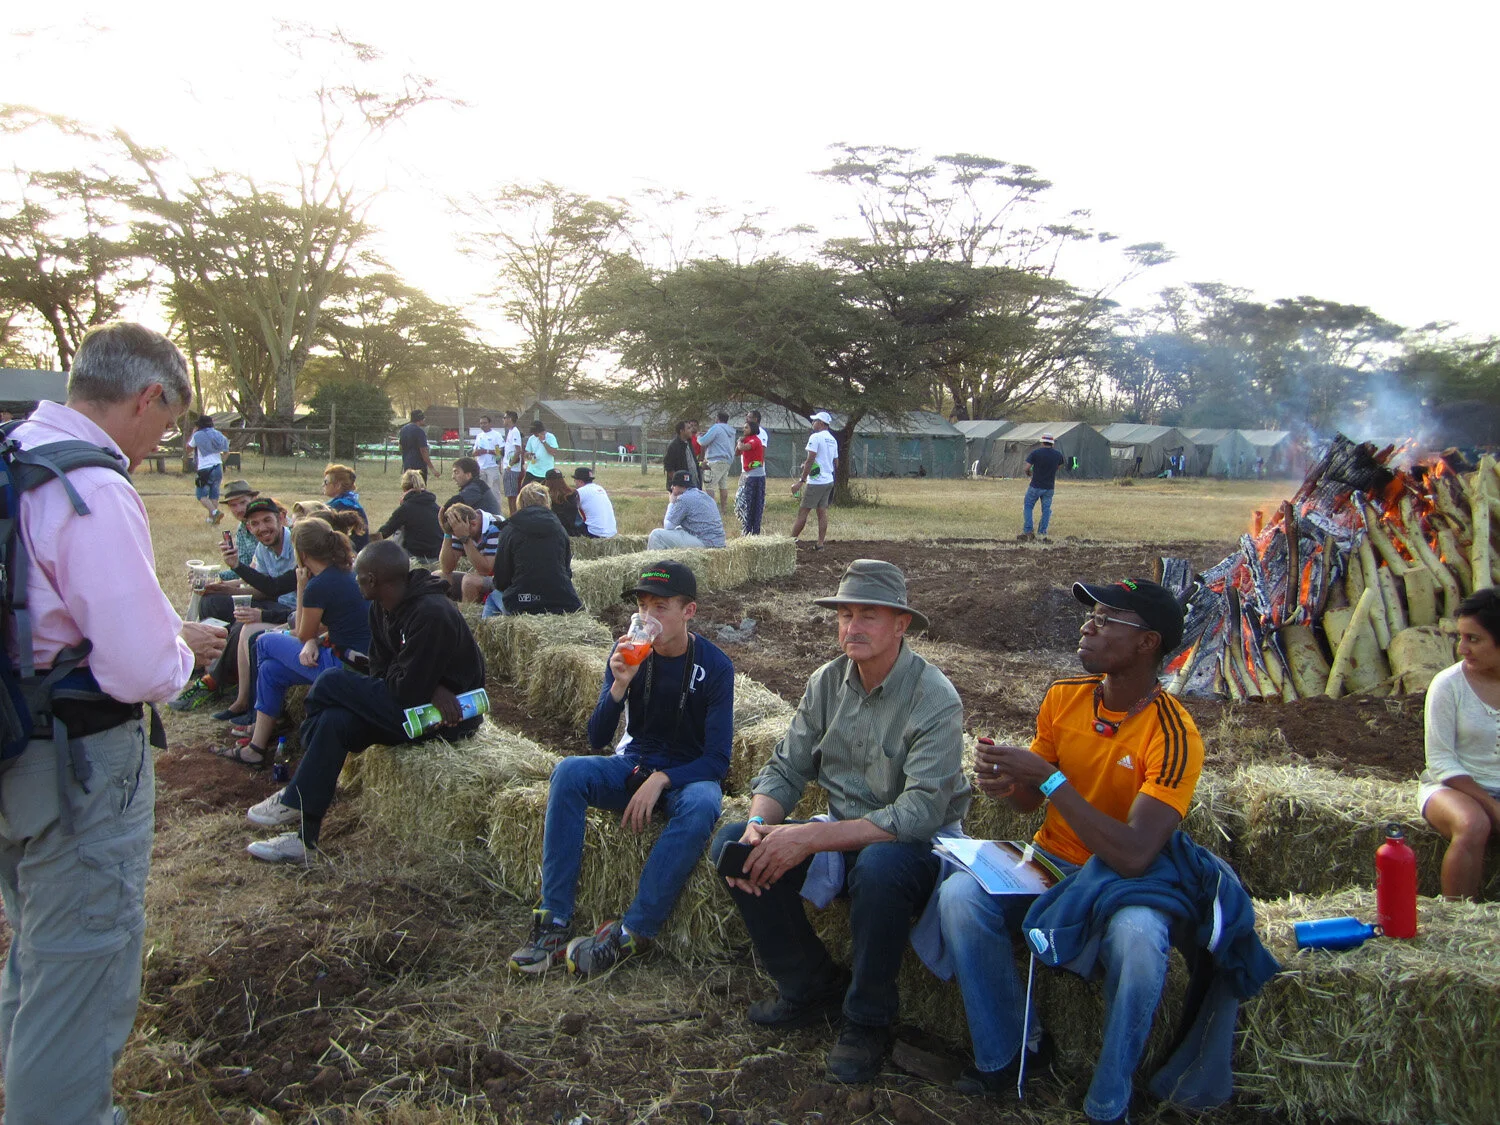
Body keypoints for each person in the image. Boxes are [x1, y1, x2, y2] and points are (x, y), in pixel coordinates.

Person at [0, 321, 227, 1124]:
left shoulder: (15, 454)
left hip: (12, 738)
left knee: (38, 947)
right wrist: (182, 652)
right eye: (167, 422)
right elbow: (138, 669)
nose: (163, 440)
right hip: (76, 764)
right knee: (81, 964)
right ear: (147, 395)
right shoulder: (91, 487)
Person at [937, 578, 1204, 1122]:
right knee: (960, 896)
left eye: (1106, 619)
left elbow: (1135, 854)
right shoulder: (1065, 696)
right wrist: (1007, 782)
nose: (1088, 626)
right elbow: (1028, 803)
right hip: (1050, 860)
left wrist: (1050, 779)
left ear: (1147, 642)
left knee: (1140, 942)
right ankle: (1013, 1052)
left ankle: (1109, 1100)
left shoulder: (1174, 734)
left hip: (1121, 882)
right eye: (1091, 615)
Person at [711, 560, 967, 1084]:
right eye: (845, 615)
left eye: (868, 615)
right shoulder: (826, 682)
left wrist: (813, 837)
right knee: (732, 845)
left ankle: (868, 1020)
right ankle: (810, 984)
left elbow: (919, 814)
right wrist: (759, 824)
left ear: (901, 624)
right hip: (842, 832)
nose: (852, 626)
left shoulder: (934, 696)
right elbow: (786, 768)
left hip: (916, 847)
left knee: (880, 866)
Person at [509, 561, 733, 975]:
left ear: (689, 611)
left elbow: (718, 761)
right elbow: (597, 737)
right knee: (569, 772)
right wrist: (617, 686)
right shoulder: (629, 651)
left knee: (704, 802)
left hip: (687, 775)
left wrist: (662, 779)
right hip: (635, 761)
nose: (648, 617)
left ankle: (633, 931)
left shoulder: (716, 667)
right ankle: (554, 920)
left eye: (660, 607)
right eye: (643, 606)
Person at [244, 541, 486, 863]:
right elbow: (380, 670)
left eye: (358, 576)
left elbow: (405, 690)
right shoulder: (381, 608)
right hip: (414, 702)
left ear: (372, 580)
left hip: (446, 718)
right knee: (334, 721)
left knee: (330, 682)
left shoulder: (432, 613)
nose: (354, 581)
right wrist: (428, 685)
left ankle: (298, 780)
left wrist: (424, 685)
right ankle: (304, 839)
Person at [217, 517, 373, 767]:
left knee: (263, 642)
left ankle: (265, 717)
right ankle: (256, 747)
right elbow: (333, 627)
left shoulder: (318, 585)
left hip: (342, 667)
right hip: (357, 660)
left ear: (302, 553)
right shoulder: (346, 573)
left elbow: (301, 632)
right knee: (271, 670)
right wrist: (313, 641)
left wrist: (301, 586)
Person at [1421, 587, 1500, 901]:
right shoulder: (1448, 685)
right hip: (1452, 787)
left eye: (1473, 639)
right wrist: (1492, 806)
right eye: (1460, 637)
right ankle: (1457, 917)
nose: (1461, 648)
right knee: (1473, 824)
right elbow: (1440, 762)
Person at [482, 483, 583, 618]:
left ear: (520, 503)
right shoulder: (560, 529)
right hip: (563, 600)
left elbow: (502, 579)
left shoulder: (509, 530)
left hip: (522, 601)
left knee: (492, 598)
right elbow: (567, 571)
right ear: (547, 502)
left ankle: (483, 631)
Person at [790, 411, 838, 550]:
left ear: (821, 423)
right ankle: (820, 544)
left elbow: (811, 459)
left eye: (815, 421)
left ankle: (790, 542)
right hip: (828, 480)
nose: (813, 423)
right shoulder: (833, 440)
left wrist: (801, 480)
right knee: (822, 512)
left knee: (803, 512)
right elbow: (836, 462)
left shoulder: (815, 437)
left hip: (816, 482)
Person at [438, 500, 503, 603]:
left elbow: (485, 570)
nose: (457, 536)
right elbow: (447, 568)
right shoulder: (460, 525)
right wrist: (447, 534)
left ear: (473, 524)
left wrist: (465, 539)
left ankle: (466, 613)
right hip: (486, 577)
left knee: (469, 582)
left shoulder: (495, 526)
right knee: (438, 577)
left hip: (503, 581)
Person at [374, 468, 444, 561]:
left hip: (416, 557)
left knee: (398, 532)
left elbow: (384, 532)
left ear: (404, 488)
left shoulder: (405, 508)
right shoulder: (436, 507)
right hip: (438, 556)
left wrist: (366, 544)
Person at [648, 470, 726, 550]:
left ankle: (656, 558)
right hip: (719, 542)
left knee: (656, 535)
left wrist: (671, 503)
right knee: (678, 528)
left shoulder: (684, 499)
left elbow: (668, 526)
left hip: (705, 542)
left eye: (674, 485)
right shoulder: (706, 496)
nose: (672, 487)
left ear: (679, 486)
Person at [1020, 432, 1066, 543]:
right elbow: (1060, 466)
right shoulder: (1058, 455)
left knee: (1028, 506)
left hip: (1035, 485)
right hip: (1049, 487)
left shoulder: (1036, 453)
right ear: (1052, 443)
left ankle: (1028, 530)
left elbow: (1026, 468)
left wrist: (1029, 473)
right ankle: (1042, 531)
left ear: (1042, 443)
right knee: (1046, 510)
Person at [189, 412, 231, 524]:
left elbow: (188, 448)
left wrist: (193, 433)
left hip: (205, 468)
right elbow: (227, 452)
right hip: (218, 467)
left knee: (201, 495)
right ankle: (212, 520)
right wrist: (221, 462)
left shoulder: (198, 435)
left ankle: (215, 512)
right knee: (214, 494)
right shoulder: (219, 434)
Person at [216, 478, 262, 577]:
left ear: (254, 499)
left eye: (243, 503)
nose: (239, 509)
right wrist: (212, 576)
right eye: (233, 505)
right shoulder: (241, 530)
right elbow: (243, 571)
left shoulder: (267, 526)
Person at [321, 463, 370, 550]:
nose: (323, 485)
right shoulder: (350, 502)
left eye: (326, 482)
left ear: (338, 485)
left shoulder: (340, 505)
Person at [734, 409, 767, 536]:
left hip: (755, 475)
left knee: (753, 503)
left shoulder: (755, 440)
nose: (744, 429)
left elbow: (744, 448)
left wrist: (739, 442)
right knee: (744, 502)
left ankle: (753, 531)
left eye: (746, 427)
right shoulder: (746, 439)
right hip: (747, 473)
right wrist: (740, 442)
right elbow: (737, 452)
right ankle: (747, 529)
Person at [699, 410, 736, 514]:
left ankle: (711, 510)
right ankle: (723, 509)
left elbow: (703, 441)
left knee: (709, 485)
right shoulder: (731, 431)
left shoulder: (716, 428)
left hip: (715, 460)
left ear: (717, 418)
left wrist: (699, 436)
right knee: (723, 486)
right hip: (727, 461)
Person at [572, 466, 618, 539]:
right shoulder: (600, 488)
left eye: (575, 480)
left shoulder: (580, 492)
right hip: (611, 532)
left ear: (580, 481)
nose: (575, 483)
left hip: (594, 533)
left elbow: (569, 510)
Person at [543, 468, 587, 537]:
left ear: (547, 481)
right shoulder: (573, 494)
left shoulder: (546, 497)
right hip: (572, 531)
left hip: (555, 531)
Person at [663, 419, 702, 491]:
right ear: (682, 431)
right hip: (681, 488)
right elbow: (668, 466)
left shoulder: (689, 443)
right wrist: (678, 483)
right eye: (688, 428)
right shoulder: (674, 446)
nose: (691, 430)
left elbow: (692, 462)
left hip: (694, 485)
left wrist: (701, 465)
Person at [471, 413, 504, 496]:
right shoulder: (479, 436)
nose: (483, 425)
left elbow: (500, 452)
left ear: (490, 424)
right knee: (481, 491)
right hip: (481, 467)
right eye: (481, 423)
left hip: (492, 466)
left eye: (485, 423)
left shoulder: (496, 435)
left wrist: (487, 451)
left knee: (494, 491)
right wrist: (477, 452)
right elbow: (474, 452)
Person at [399, 408, 434, 482]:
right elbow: (423, 451)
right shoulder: (420, 432)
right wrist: (432, 468)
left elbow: (400, 447)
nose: (424, 420)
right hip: (419, 466)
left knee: (409, 486)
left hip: (407, 466)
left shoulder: (403, 430)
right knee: (419, 487)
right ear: (420, 419)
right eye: (423, 418)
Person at [501, 410, 524, 516]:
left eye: (505, 418)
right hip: (508, 467)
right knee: (509, 495)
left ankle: (514, 516)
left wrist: (510, 465)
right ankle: (512, 515)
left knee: (512, 496)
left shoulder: (515, 431)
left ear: (510, 419)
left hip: (512, 469)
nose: (503, 420)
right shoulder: (510, 431)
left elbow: (518, 450)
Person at [524, 418, 559, 484]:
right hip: (531, 470)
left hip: (546, 472)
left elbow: (554, 452)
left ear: (540, 430)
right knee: (524, 488)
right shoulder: (531, 438)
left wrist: (543, 441)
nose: (534, 434)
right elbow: (526, 453)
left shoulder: (551, 437)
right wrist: (529, 455)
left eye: (535, 432)